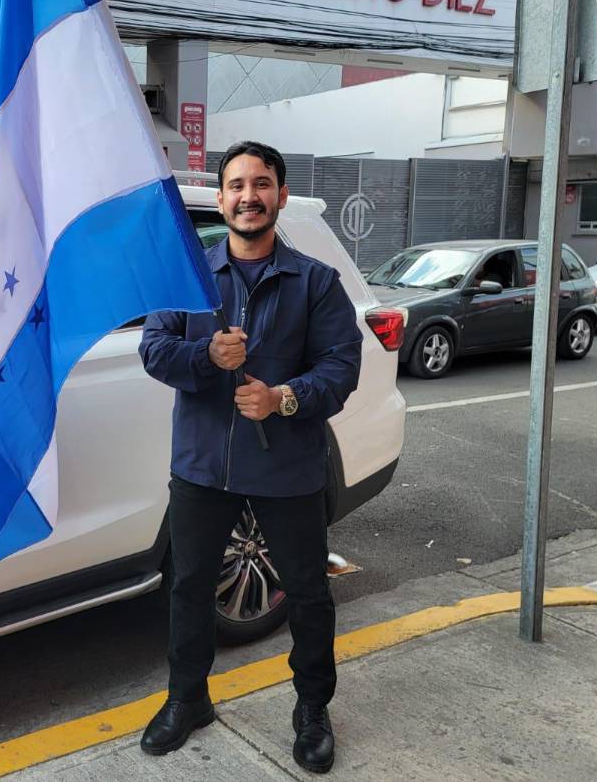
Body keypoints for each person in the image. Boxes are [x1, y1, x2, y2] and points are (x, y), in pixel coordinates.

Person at [138, 140, 363, 774]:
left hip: (288, 472)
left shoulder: (315, 283)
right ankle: (188, 700)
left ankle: (313, 710)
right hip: (203, 469)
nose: (248, 196)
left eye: (261, 184)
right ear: (220, 198)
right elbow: (154, 350)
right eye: (236, 185)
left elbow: (342, 369)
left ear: (280, 196)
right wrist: (206, 357)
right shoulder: (187, 279)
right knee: (187, 587)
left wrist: (284, 398)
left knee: (311, 594)